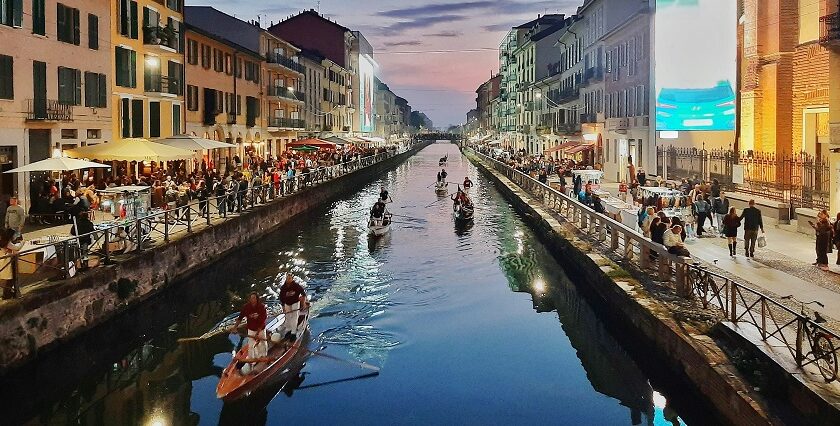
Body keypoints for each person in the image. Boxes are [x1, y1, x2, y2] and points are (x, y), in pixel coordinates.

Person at [231, 292, 268, 363]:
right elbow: (240, 318)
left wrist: (257, 332)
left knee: (263, 343)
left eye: (254, 298)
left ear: (257, 299)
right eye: (251, 298)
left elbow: (263, 320)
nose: (252, 299)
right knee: (251, 345)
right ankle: (252, 361)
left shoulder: (261, 307)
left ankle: (263, 357)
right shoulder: (246, 307)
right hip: (251, 329)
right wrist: (235, 327)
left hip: (261, 329)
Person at [279, 274, 307, 341]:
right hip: (287, 304)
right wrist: (283, 306)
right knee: (288, 317)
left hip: (295, 303)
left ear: (292, 279)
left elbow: (303, 294)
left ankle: (293, 333)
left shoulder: (296, 286)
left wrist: (303, 304)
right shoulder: (283, 288)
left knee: (294, 317)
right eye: (287, 278)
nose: (288, 280)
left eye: (289, 278)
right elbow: (281, 297)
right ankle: (288, 330)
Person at [0, 228, 23, 299]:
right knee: (10, 279)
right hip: (7, 262)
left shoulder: (2, 241)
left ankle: (7, 293)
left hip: (3, 261)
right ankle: (6, 294)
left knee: (8, 279)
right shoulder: (7, 242)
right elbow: (17, 248)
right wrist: (22, 242)